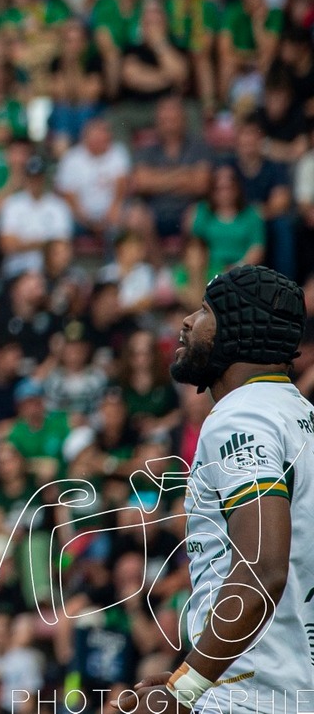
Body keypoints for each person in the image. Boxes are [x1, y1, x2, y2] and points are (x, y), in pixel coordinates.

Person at [154, 266, 314, 711]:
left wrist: (183, 691)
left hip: (250, 695)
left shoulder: (241, 417)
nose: (188, 321)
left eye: (206, 311)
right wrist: (191, 671)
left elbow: (261, 569)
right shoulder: (301, 416)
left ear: (243, 327)